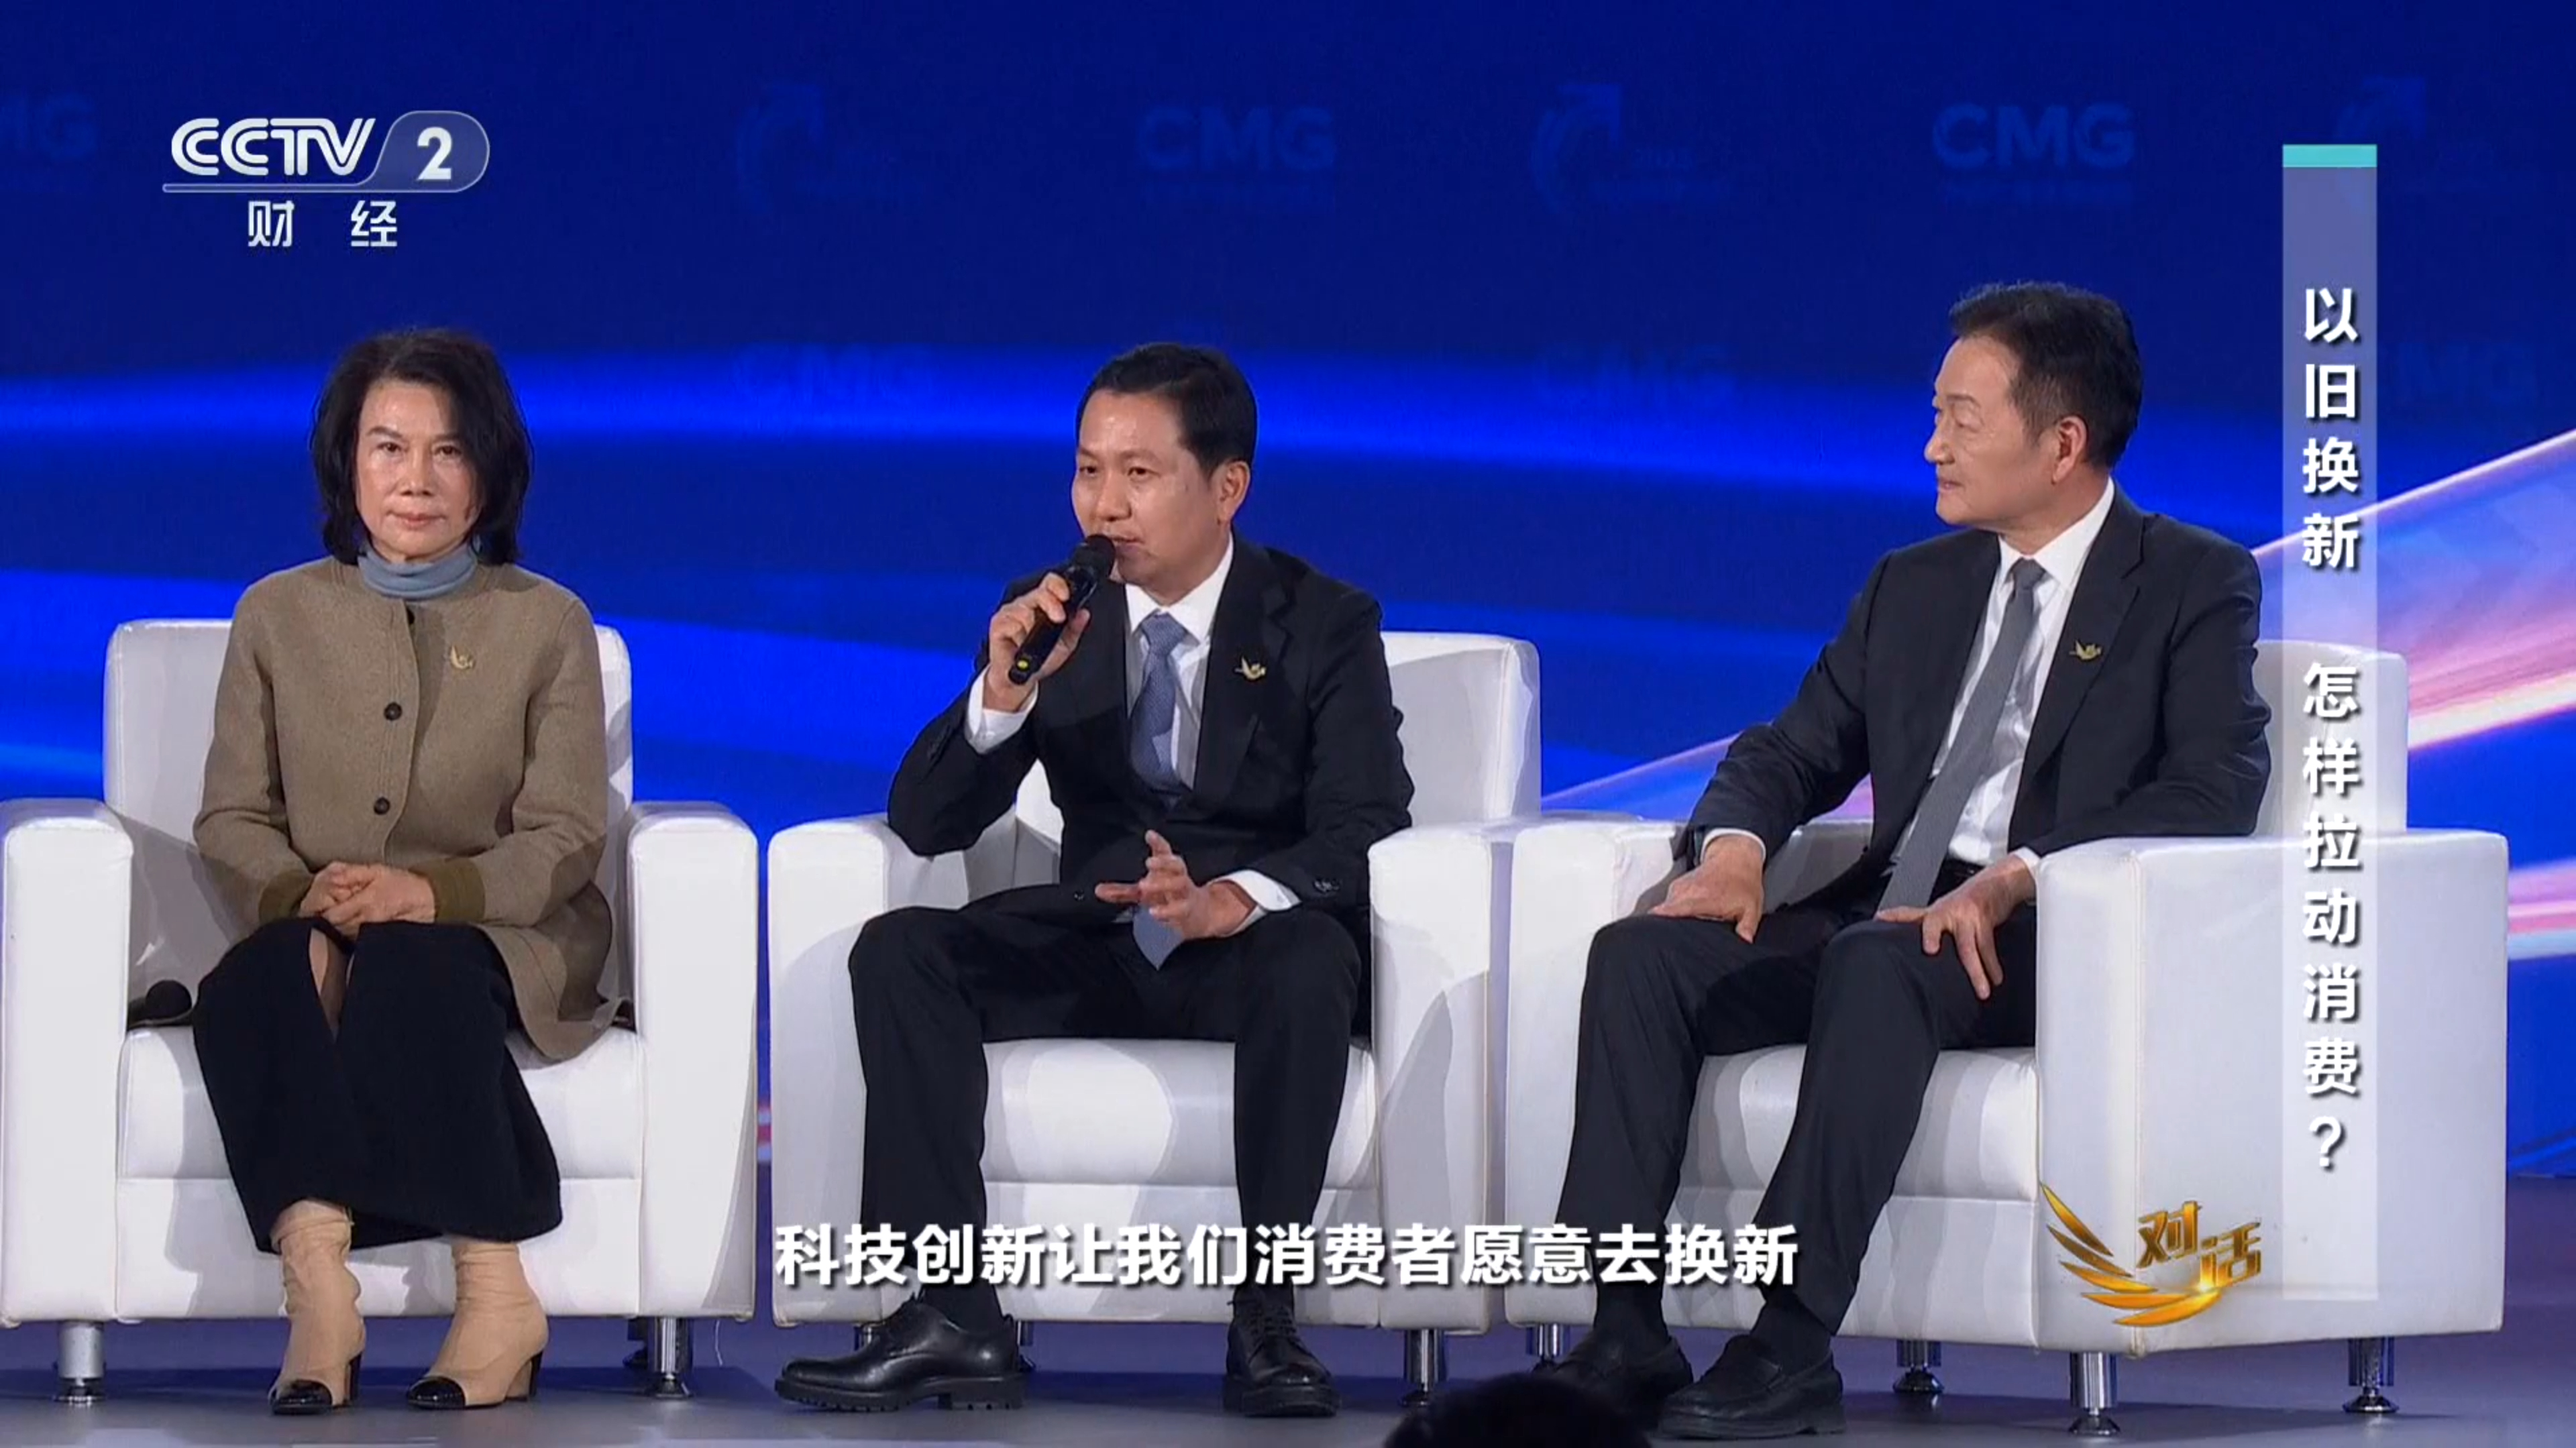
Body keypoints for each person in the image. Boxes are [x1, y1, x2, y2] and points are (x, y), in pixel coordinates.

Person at [1541, 282, 2271, 1439]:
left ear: (2063, 442)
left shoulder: (2191, 581)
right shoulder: (1913, 586)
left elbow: (2214, 788)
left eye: (1961, 419)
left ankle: (1789, 1343)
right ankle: (1623, 1328)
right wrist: (1734, 852)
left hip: (2037, 938)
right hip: (1885, 919)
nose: (1934, 445)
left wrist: (2020, 870)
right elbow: (1791, 749)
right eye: (1937, 415)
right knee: (1643, 955)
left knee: (1878, 964)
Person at [774, 343, 1413, 1419]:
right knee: (903, 951)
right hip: (1101, 934)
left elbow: (1369, 822)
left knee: (1313, 960)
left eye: (1138, 474)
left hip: (1244, 946)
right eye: (1087, 470)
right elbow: (927, 819)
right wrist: (1002, 694)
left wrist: (1232, 899)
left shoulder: (1321, 621)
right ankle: (952, 1313)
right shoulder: (1055, 613)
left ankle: (1266, 1318)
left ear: (1227, 487)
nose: (1103, 505)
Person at [191, 329, 611, 1414]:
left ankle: (497, 1299)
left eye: (448, 451)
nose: (415, 480)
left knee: (413, 968)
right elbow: (232, 816)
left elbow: (567, 833)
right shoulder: (276, 616)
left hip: (498, 934)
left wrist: (429, 895)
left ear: (491, 474)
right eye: (388, 448)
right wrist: (307, 897)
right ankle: (320, 1300)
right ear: (348, 465)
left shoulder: (547, 624)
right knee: (250, 982)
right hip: (323, 914)